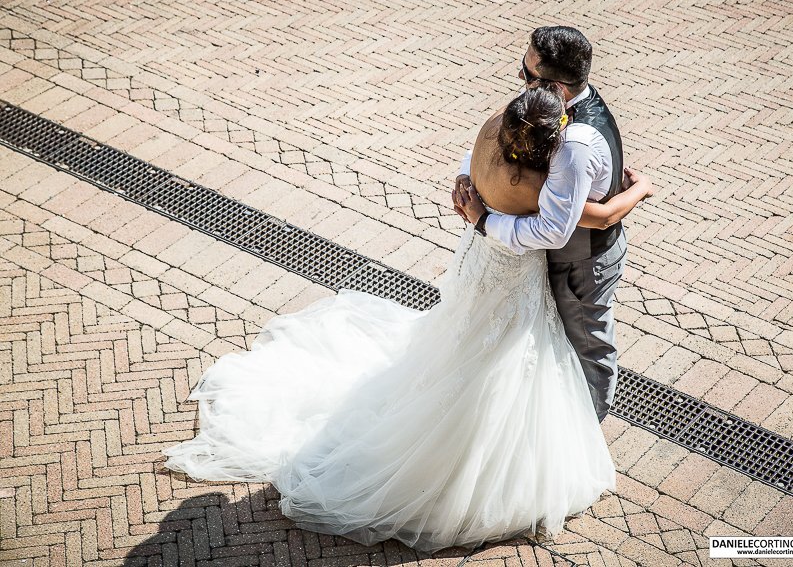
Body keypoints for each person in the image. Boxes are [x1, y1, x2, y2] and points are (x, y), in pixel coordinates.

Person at [164, 85, 651, 553]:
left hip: (480, 265)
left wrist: (477, 210)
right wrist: (634, 193)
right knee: (501, 360)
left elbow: (469, 172)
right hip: (512, 273)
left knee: (464, 342)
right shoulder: (538, 185)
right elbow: (565, 225)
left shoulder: (490, 139)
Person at [456, 25, 652, 424]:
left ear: (558, 87)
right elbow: (501, 137)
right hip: (558, 253)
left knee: (587, 347)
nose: (520, 80)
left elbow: (554, 229)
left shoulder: (574, 144)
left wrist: (485, 221)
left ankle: (586, 429)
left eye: (527, 74)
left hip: (581, 262)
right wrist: (470, 173)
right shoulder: (545, 108)